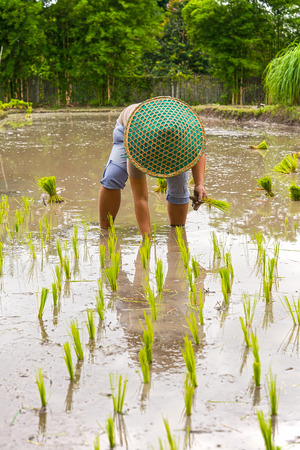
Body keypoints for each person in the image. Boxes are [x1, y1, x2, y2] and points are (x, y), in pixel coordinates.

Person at [99, 96, 207, 237]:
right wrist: (147, 239)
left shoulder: (186, 132)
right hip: (128, 130)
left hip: (173, 134)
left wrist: (199, 184)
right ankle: (104, 232)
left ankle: (177, 234)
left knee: (180, 189)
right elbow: (140, 199)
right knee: (113, 176)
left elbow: (198, 151)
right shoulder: (136, 146)